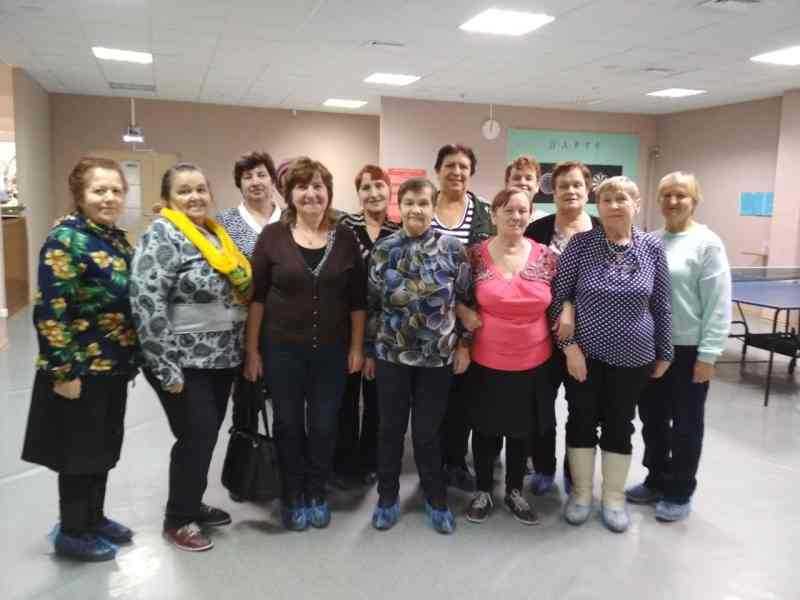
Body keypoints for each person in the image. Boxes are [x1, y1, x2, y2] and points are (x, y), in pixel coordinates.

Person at [22, 157, 139, 561]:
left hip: (113, 365)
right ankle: (72, 531)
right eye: (99, 190)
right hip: (79, 368)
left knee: (102, 448)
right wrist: (63, 371)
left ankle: (94, 518)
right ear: (80, 194)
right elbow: (51, 311)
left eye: (116, 190)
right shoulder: (66, 240)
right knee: (77, 453)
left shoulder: (114, 238)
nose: (109, 198)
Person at [131, 163, 252, 552]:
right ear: (167, 199)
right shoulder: (162, 234)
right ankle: (178, 519)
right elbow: (146, 301)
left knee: (205, 435)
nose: (195, 196)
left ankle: (191, 502)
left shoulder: (213, 234)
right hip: (182, 362)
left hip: (220, 358)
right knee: (195, 436)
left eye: (201, 189)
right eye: (184, 191)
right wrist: (165, 366)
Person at [244, 157, 366, 531]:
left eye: (318, 186)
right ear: (289, 194)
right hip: (282, 350)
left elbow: (358, 301)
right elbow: (257, 298)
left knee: (325, 425)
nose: (311, 193)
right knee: (288, 424)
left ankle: (316, 491)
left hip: (332, 351)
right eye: (302, 187)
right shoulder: (272, 237)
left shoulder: (346, 238)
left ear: (328, 193)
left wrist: (356, 348)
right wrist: (252, 351)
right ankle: (292, 493)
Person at [550, 175, 672, 533]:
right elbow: (557, 299)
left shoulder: (652, 248)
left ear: (637, 205)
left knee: (620, 424)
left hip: (635, 358)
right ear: (598, 207)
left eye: (622, 199)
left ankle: (614, 498)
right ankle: (581, 494)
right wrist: (569, 349)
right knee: (581, 419)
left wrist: (665, 350)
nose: (614, 205)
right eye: (607, 200)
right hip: (584, 356)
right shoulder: (580, 245)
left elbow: (661, 304)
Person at [364, 177, 471, 534]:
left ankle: (435, 498)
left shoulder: (453, 249)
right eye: (409, 202)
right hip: (391, 356)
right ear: (400, 206)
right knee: (390, 430)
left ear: (433, 205)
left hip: (436, 359)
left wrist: (464, 345)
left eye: (423, 203)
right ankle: (387, 498)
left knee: (427, 432)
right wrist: (369, 351)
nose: (416, 209)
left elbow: (465, 302)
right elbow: (372, 305)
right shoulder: (384, 249)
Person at [626, 172, 731, 522]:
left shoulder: (708, 244)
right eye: (666, 195)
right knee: (653, 420)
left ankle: (680, 490)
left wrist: (709, 355)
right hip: (651, 348)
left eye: (681, 195)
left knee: (686, 424)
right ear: (658, 200)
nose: (673, 201)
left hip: (688, 351)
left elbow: (718, 304)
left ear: (694, 200)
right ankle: (656, 479)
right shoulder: (649, 241)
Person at [462, 189, 556, 526]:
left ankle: (515, 490)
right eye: (508, 210)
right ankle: (483, 491)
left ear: (530, 215)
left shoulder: (547, 256)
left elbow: (563, 298)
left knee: (522, 431)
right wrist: (462, 320)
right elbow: (457, 297)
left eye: (522, 210)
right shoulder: (474, 255)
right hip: (486, 359)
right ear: (494, 214)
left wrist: (568, 311)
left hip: (534, 361)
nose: (515, 216)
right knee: (485, 430)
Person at [523, 160, 600, 495]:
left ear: (588, 190)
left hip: (589, 339)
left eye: (577, 185)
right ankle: (543, 467)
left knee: (583, 409)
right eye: (563, 185)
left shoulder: (601, 230)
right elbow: (527, 279)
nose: (570, 190)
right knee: (541, 406)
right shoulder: (536, 231)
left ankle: (574, 472)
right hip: (541, 336)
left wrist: (570, 307)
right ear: (552, 192)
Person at [431, 143, 494, 492]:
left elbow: (491, 271)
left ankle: (456, 460)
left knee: (462, 396)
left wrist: (467, 330)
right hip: (428, 323)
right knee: (431, 398)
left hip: (471, 322)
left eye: (463, 167)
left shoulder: (485, 213)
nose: (456, 172)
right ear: (437, 170)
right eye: (449, 165)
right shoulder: (423, 206)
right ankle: (433, 464)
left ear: (471, 173)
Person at [333, 165, 400, 486]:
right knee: (345, 399)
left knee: (377, 402)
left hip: (385, 332)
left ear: (389, 189)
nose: (373, 193)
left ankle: (371, 459)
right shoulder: (343, 228)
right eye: (366, 187)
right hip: (345, 327)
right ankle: (345, 462)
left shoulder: (399, 231)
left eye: (379, 186)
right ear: (358, 193)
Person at [217, 150, 281, 259]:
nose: (255, 182)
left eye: (261, 175)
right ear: (240, 185)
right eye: (248, 177)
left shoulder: (290, 218)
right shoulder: (224, 221)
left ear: (272, 180)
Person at [504, 155, 544, 221]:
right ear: (507, 184)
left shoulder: (547, 221)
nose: (522, 182)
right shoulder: (496, 219)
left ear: (537, 186)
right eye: (516, 178)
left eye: (528, 178)